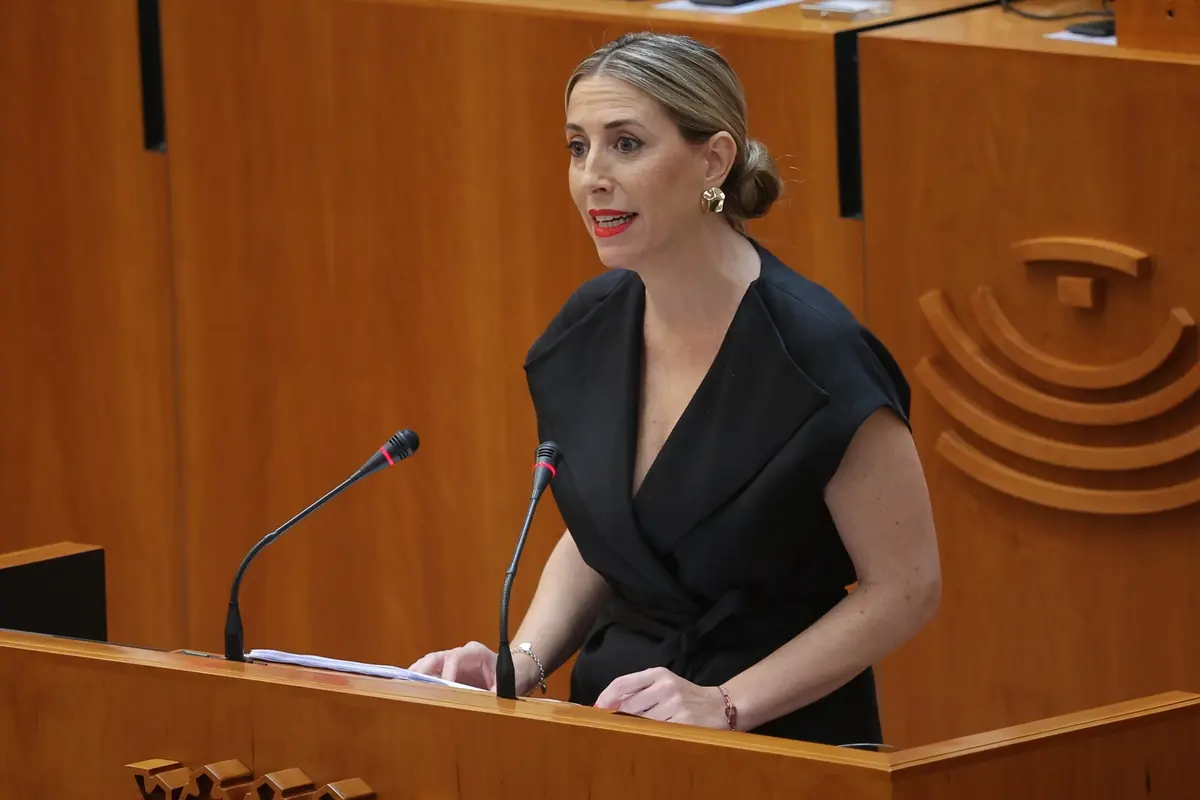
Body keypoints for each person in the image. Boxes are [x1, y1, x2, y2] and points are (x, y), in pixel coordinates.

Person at [410, 31, 941, 746]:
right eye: (578, 147)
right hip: (614, 721)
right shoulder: (588, 329)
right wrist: (521, 663)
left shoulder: (816, 358)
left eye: (625, 144)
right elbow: (608, 535)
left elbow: (906, 587)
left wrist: (725, 703)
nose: (592, 177)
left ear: (713, 159)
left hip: (783, 738)